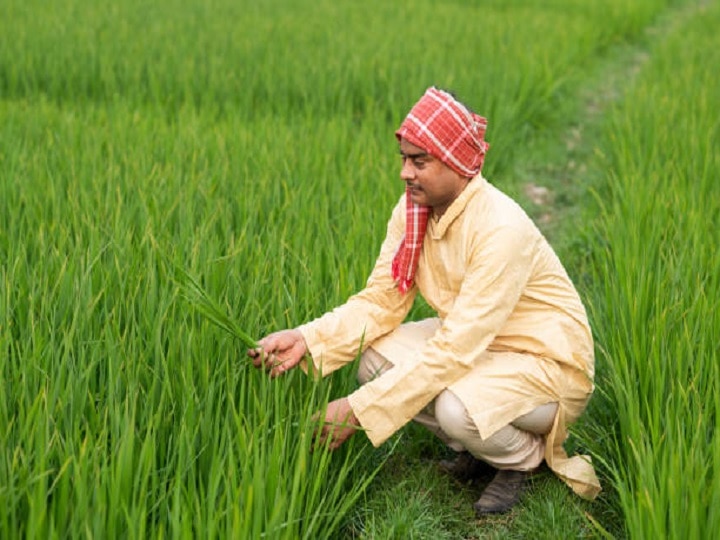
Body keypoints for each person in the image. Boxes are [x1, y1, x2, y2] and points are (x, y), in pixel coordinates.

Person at [248, 87, 601, 515]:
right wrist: (307, 338)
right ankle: (483, 448)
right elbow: (382, 299)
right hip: (481, 345)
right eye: (404, 159)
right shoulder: (414, 211)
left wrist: (356, 411)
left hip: (547, 366)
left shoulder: (500, 228)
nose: (405, 173)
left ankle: (522, 460)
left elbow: (455, 349)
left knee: (455, 408)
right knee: (371, 358)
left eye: (420, 161)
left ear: (456, 164)